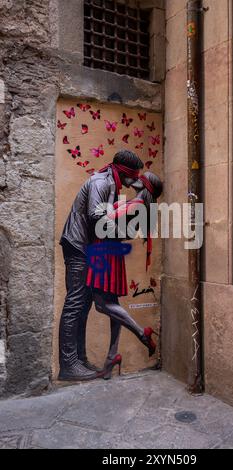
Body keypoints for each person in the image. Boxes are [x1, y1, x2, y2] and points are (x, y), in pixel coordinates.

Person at [58, 150, 144, 381]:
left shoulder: (110, 183)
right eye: (130, 178)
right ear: (123, 172)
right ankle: (68, 364)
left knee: (83, 304)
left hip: (84, 246)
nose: (130, 183)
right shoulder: (101, 182)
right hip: (77, 245)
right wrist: (123, 232)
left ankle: (79, 359)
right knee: (75, 303)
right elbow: (96, 217)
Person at [86, 172, 163, 379]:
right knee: (113, 306)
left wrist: (110, 195)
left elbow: (105, 220)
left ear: (145, 185)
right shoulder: (135, 203)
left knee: (102, 305)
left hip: (106, 251)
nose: (136, 177)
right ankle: (112, 358)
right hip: (109, 251)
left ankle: (142, 333)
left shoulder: (136, 205)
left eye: (142, 177)